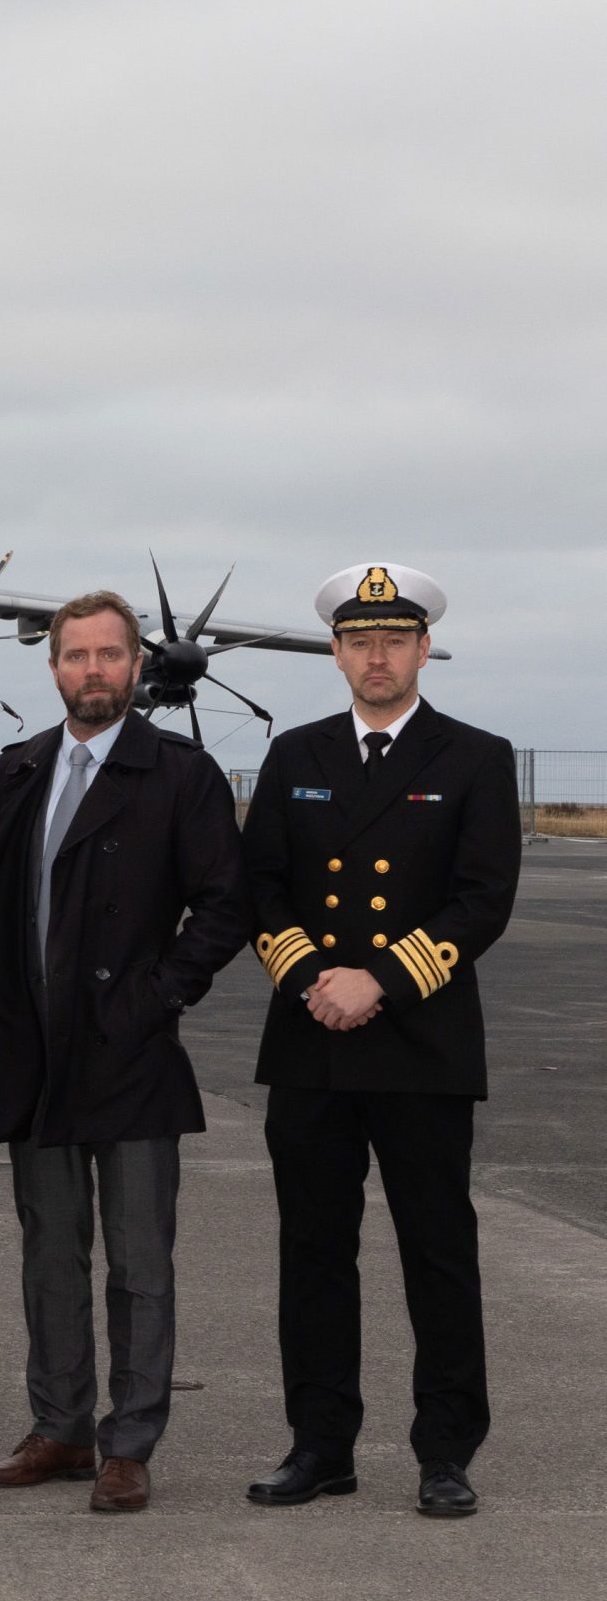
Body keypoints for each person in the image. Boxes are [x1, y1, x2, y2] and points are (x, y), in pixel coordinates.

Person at [0, 591, 251, 1512]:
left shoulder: (180, 771)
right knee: (50, 1252)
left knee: (138, 1260)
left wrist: (159, 998)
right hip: (34, 1054)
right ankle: (60, 1428)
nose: (93, 670)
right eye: (75, 655)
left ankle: (129, 1440)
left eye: (109, 655)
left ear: (135, 665)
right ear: (52, 668)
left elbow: (226, 904)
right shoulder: (15, 769)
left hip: (130, 1053)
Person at [240, 564, 519, 1518]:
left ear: (423, 648)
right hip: (312, 1041)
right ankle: (320, 1445)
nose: (376, 655)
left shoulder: (476, 757)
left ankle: (445, 1450)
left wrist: (381, 981)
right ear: (336, 651)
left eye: (394, 639)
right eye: (359, 640)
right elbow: (263, 887)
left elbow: (482, 900)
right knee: (314, 1251)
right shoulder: (294, 755)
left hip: (421, 1044)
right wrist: (313, 974)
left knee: (438, 1253)